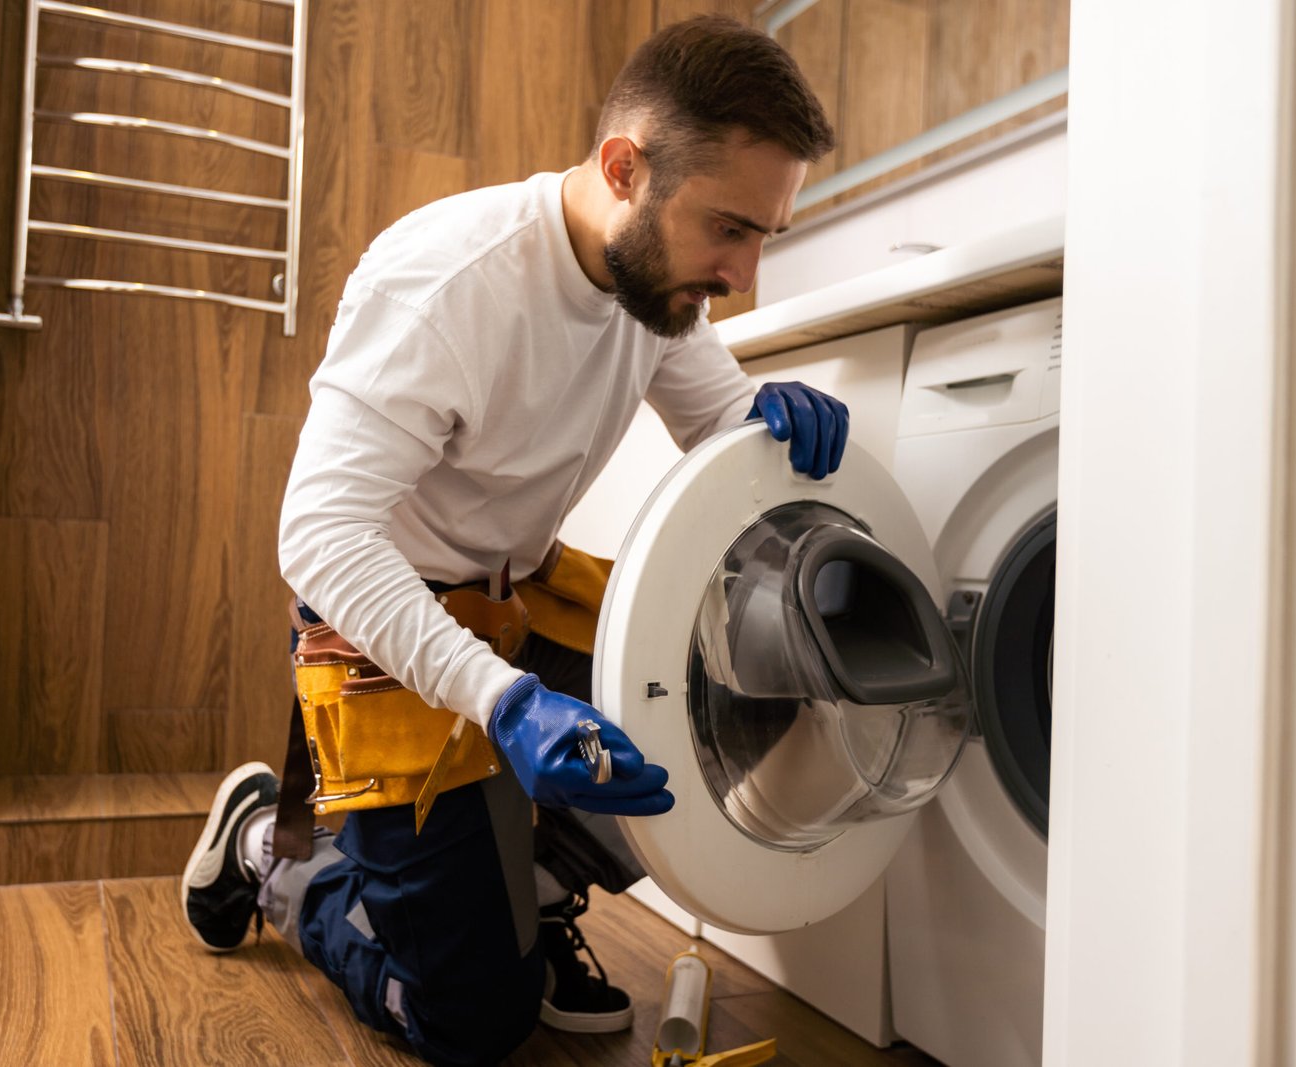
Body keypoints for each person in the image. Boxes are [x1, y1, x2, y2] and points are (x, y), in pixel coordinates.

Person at [181, 14, 845, 1066]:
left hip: (518, 597)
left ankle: (524, 890)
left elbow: (718, 425)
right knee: (473, 1022)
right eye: (730, 228)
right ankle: (277, 854)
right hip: (389, 631)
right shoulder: (448, 282)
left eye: (764, 234)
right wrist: (504, 701)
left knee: (764, 686)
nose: (744, 273)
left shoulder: (651, 289)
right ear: (624, 169)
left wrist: (768, 428)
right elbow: (320, 534)